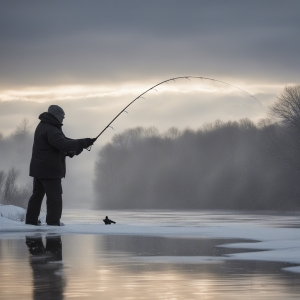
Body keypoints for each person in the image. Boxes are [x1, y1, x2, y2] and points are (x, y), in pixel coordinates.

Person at [25, 105, 96, 226]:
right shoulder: (51, 128)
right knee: (55, 198)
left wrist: (79, 145)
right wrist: (81, 143)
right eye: (62, 117)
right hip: (50, 171)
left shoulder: (44, 125)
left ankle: (31, 221)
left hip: (39, 169)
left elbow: (60, 142)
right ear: (56, 116)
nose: (63, 119)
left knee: (37, 196)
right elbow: (62, 144)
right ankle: (53, 223)